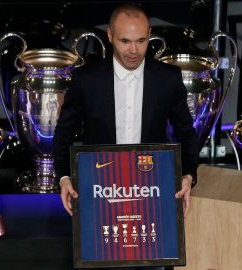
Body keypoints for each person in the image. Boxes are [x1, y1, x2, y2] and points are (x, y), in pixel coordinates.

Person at [53, 3, 199, 218]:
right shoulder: (86, 79)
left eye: (141, 41)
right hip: (99, 187)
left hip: (152, 187)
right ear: (110, 35)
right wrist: (64, 177)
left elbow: (186, 133)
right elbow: (63, 134)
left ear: (149, 35)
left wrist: (187, 176)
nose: (133, 50)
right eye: (125, 41)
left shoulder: (168, 78)